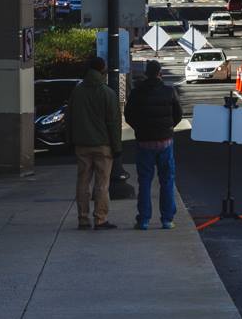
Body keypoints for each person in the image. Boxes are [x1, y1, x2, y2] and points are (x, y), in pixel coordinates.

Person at [124, 60, 184, 230]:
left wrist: (139, 128)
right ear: (160, 73)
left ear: (145, 74)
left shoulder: (137, 92)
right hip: (165, 141)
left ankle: (143, 219)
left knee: (144, 181)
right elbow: (178, 114)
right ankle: (167, 219)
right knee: (167, 180)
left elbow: (129, 115)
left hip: (144, 142)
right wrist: (168, 127)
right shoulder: (169, 91)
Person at [66, 56, 122, 230]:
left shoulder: (77, 91)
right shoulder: (107, 93)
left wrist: (70, 140)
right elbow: (113, 122)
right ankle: (100, 218)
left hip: (82, 144)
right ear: (102, 71)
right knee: (102, 184)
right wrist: (117, 146)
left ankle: (83, 218)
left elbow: (69, 118)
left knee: (82, 181)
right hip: (103, 144)